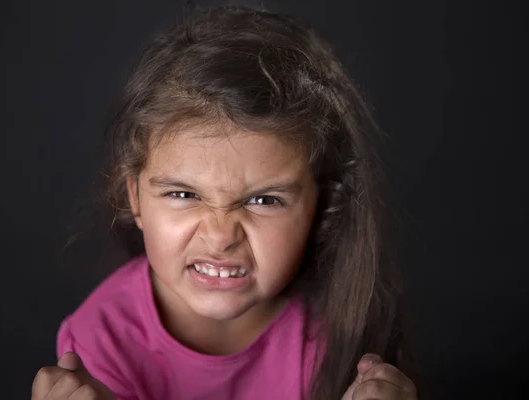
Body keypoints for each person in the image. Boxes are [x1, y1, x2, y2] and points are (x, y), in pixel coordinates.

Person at [31, 4, 418, 400]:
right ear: (135, 197)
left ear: (321, 206)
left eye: (264, 200)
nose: (220, 238)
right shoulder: (98, 340)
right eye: (184, 194)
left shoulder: (339, 328)